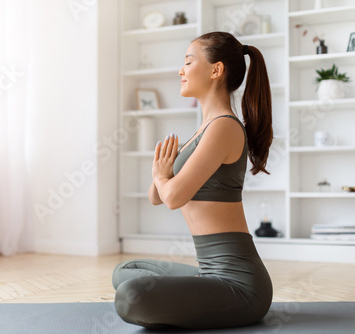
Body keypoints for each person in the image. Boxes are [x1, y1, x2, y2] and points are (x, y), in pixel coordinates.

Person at [111, 31, 274, 330]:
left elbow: (172, 197)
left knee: (130, 297)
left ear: (216, 70)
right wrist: (162, 177)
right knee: (125, 271)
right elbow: (156, 195)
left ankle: (204, 298)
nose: (181, 70)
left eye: (188, 62)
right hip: (209, 273)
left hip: (241, 285)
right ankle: (199, 293)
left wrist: (162, 175)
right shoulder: (200, 133)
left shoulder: (224, 128)